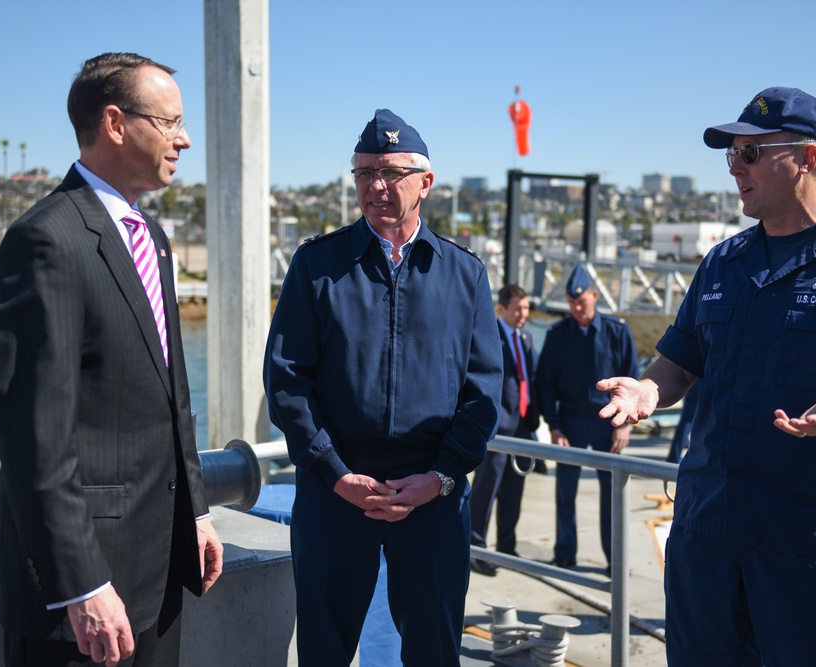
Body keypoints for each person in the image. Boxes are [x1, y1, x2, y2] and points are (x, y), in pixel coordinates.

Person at [597, 87, 816, 666]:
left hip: (814, 546)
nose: (734, 167)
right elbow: (681, 360)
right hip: (708, 536)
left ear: (808, 158)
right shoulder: (723, 263)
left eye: (751, 153)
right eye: (730, 154)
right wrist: (648, 389)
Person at [0, 53, 223, 667]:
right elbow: (35, 436)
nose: (184, 139)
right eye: (169, 123)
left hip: (159, 574)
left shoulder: (153, 239)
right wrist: (82, 585)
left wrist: (194, 511)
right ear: (116, 124)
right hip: (83, 601)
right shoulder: (46, 241)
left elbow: (174, 395)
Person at [264, 108, 501, 666]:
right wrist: (334, 473)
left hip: (433, 500)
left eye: (391, 172)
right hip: (335, 495)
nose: (375, 185)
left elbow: (484, 391)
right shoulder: (316, 266)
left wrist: (441, 476)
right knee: (324, 650)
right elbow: (286, 381)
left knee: (434, 650)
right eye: (364, 172)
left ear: (425, 182)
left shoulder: (465, 275)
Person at [536, 264, 639, 569]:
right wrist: (553, 427)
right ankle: (565, 553)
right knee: (566, 492)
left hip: (610, 423)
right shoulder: (558, 336)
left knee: (613, 496)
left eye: (582, 301)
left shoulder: (617, 332)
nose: (577, 308)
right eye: (571, 303)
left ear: (595, 296)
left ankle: (615, 560)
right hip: (570, 422)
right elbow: (545, 382)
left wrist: (627, 426)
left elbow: (632, 380)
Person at [468, 284, 540, 576]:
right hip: (497, 430)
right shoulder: (489, 337)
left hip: (522, 427)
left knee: (513, 490)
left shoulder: (525, 338)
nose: (523, 314)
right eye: (518, 309)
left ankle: (507, 547)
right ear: (502, 310)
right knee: (486, 489)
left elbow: (530, 379)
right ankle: (477, 549)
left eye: (526, 308)